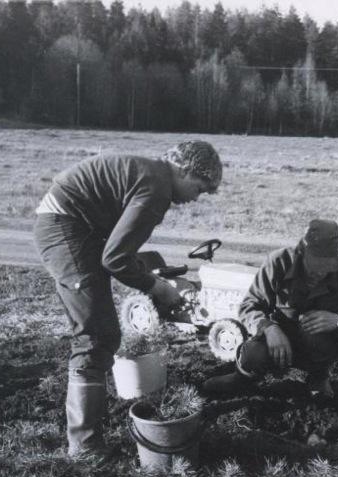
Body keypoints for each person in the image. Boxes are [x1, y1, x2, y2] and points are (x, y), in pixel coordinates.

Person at [33, 141, 222, 457]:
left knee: (109, 320)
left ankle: (91, 431)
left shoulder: (150, 173)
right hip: (65, 228)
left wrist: (150, 274)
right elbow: (116, 259)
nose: (195, 199)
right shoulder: (156, 189)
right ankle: (85, 447)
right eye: (199, 188)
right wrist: (157, 287)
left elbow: (119, 250)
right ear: (186, 171)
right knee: (95, 336)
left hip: (78, 227)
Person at [203, 219, 338, 398]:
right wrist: (269, 328)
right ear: (302, 252)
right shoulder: (278, 262)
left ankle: (318, 379)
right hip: (276, 342)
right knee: (253, 355)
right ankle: (242, 379)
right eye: (316, 265)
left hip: (319, 347)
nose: (320, 273)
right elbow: (249, 306)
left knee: (316, 334)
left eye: (328, 266)